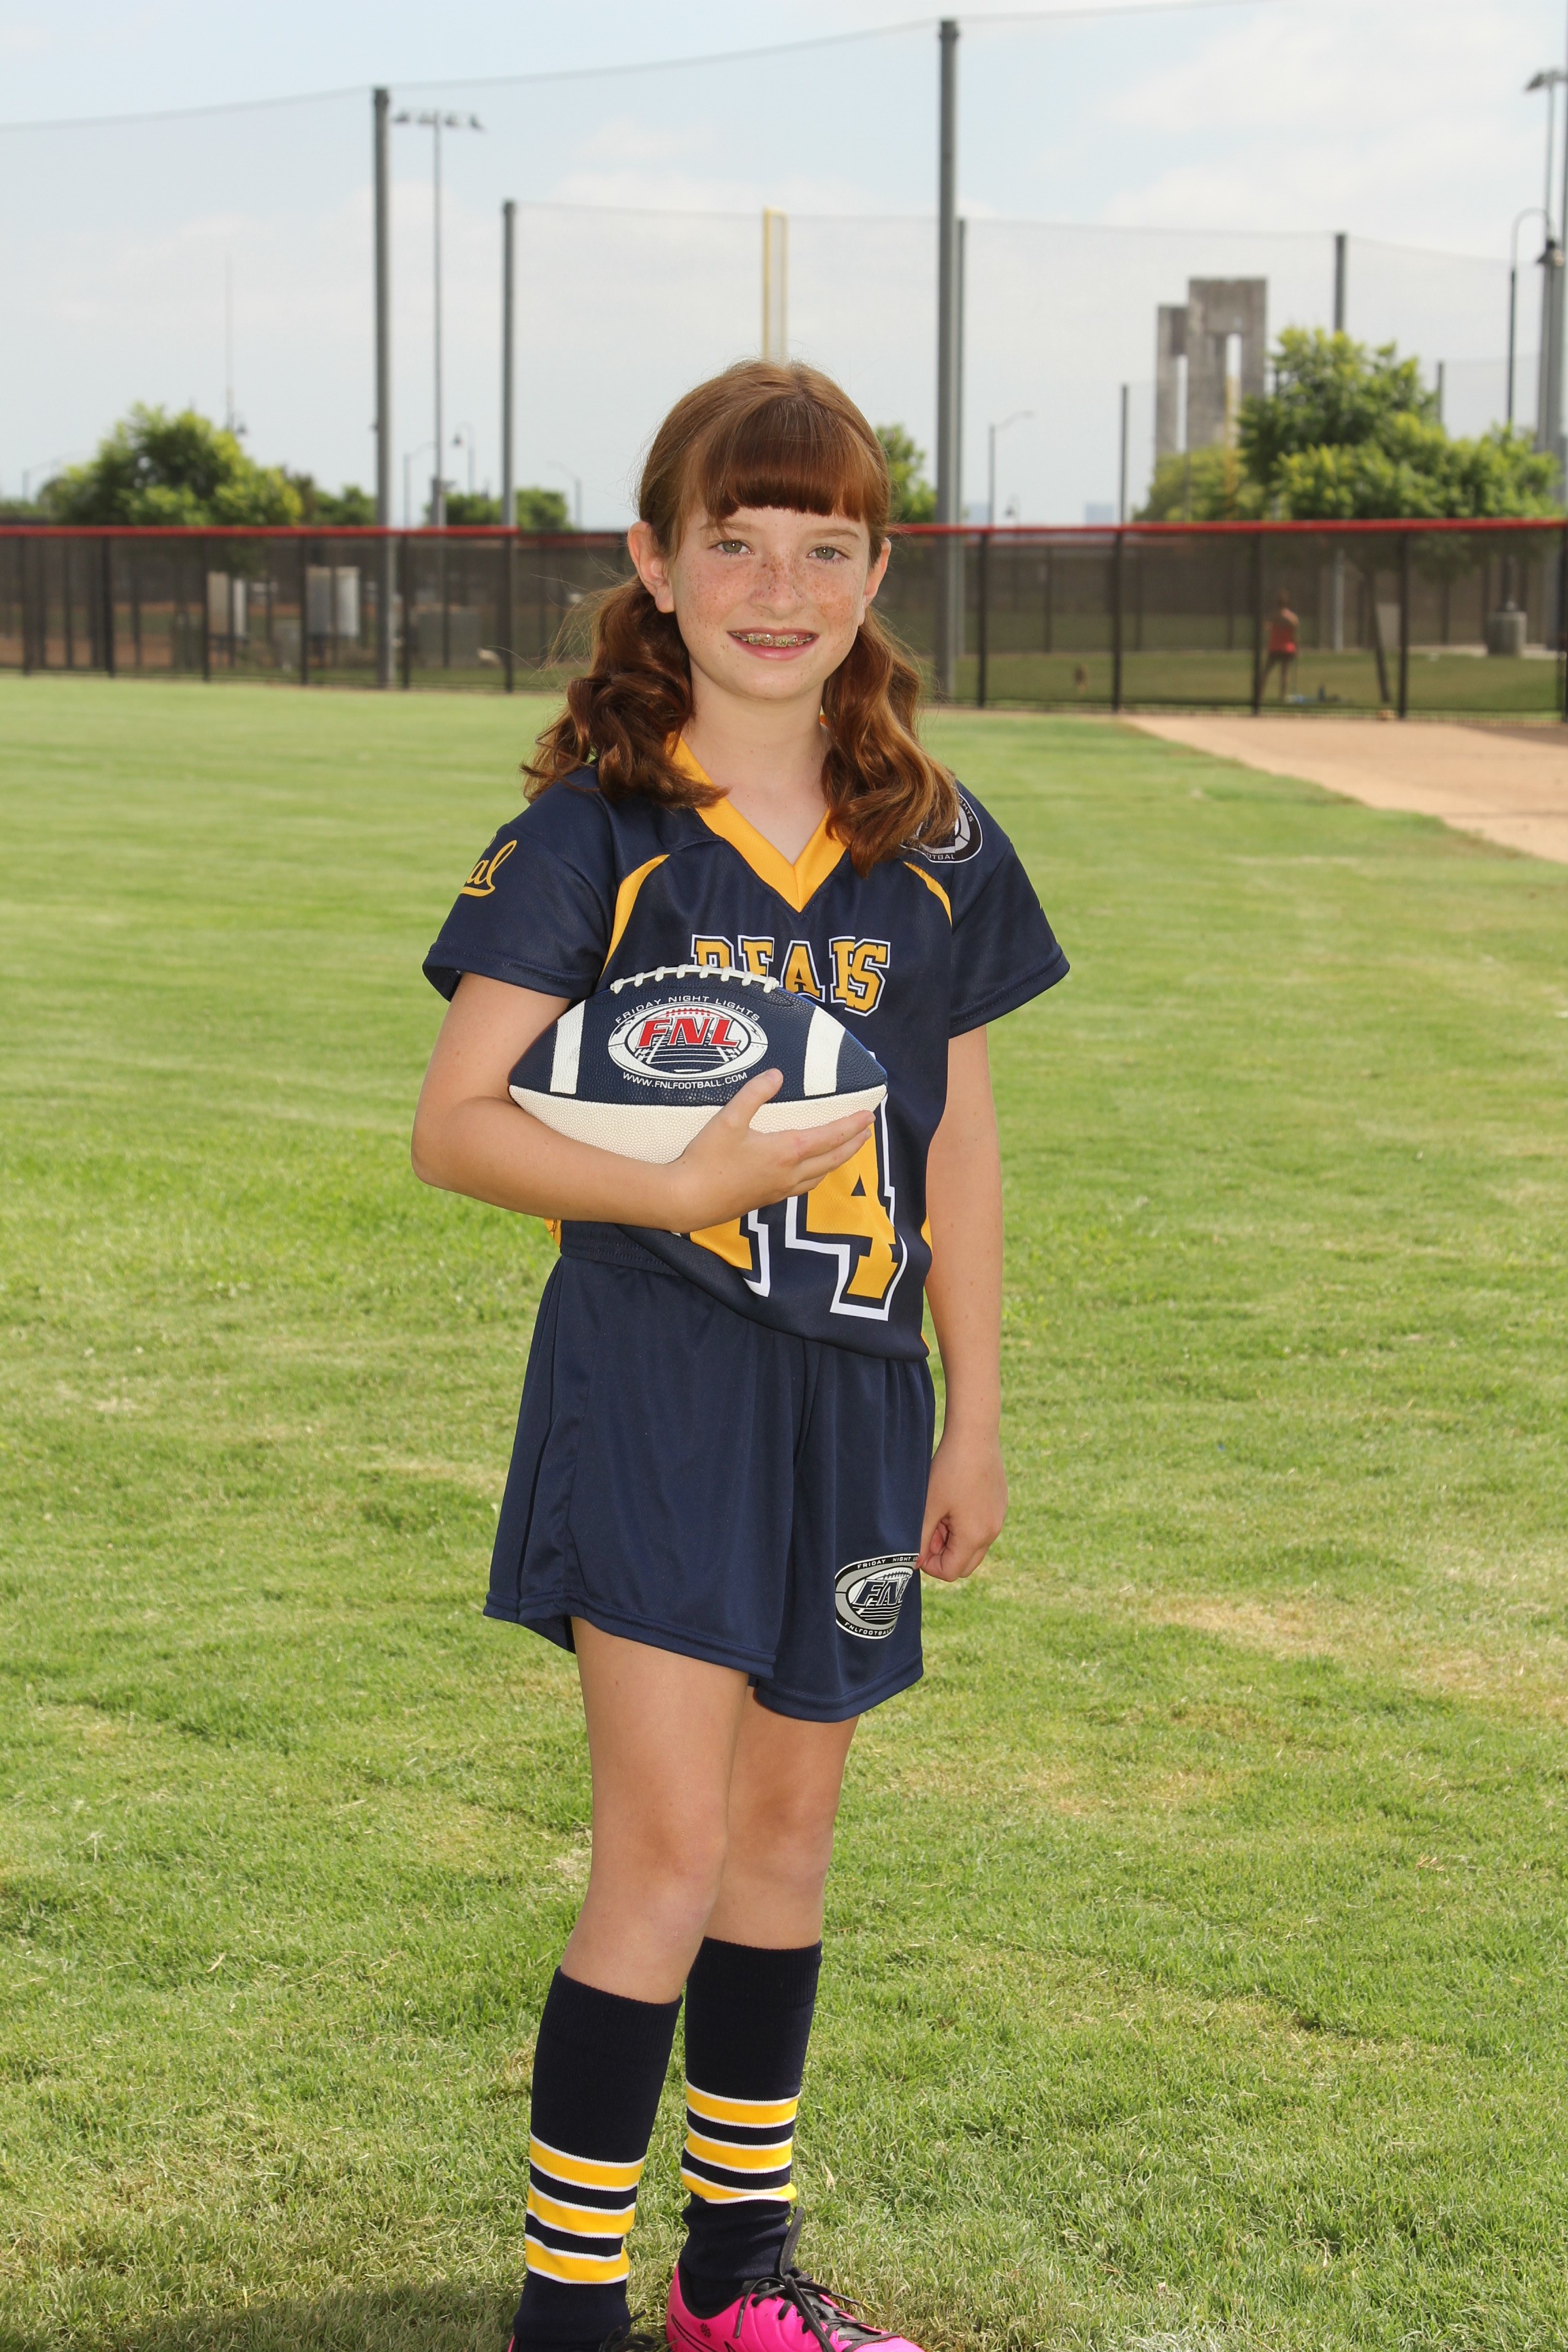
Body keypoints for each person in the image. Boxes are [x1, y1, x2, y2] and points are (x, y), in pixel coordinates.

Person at [412, 360, 1068, 2352]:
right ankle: (568, 2312)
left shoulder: (935, 838)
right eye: (737, 540)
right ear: (656, 559)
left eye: (823, 545)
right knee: (668, 1853)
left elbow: (959, 1141)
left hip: (859, 1397)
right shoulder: (595, 829)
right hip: (660, 1384)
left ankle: (733, 2280)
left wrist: (975, 1411)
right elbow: (456, 1126)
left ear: (877, 571)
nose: (780, 587)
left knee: (785, 1844)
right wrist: (680, 1187)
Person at [1260, 591, 1299, 702]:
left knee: (1265, 673)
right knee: (1284, 673)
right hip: (1288, 648)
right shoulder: (1293, 618)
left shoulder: (1273, 616)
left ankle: (1260, 695)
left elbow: (1265, 625)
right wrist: (1297, 648)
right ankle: (1282, 697)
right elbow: (1295, 636)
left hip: (1275, 648)